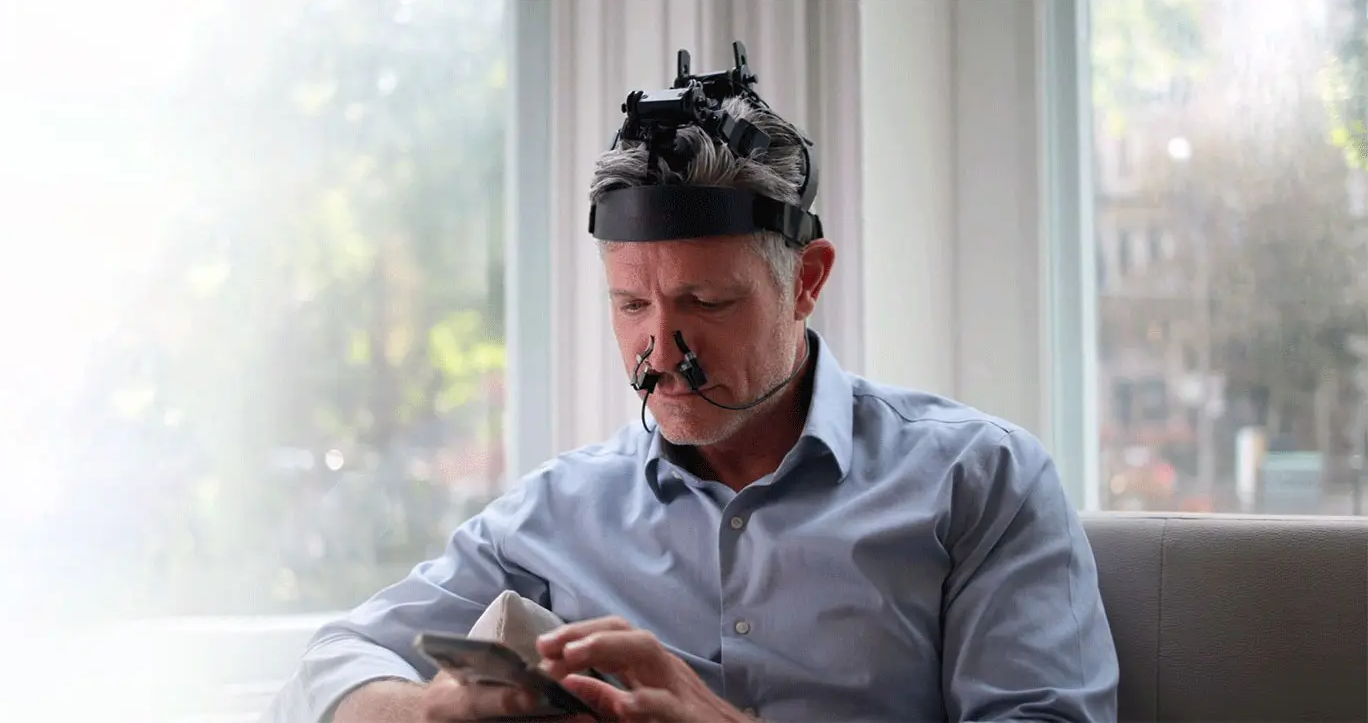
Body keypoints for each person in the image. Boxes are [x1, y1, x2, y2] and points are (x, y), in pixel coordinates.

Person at [260, 48, 1117, 723]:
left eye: (706, 301)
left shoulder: (980, 483)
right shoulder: (553, 515)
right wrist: (430, 708)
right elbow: (327, 668)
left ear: (807, 280)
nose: (660, 347)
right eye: (630, 303)